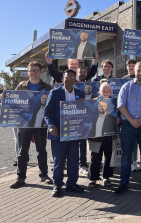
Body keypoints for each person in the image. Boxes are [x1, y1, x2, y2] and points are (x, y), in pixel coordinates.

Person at [114, 61, 141, 195]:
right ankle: (123, 183)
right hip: (128, 125)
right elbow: (121, 106)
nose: (140, 73)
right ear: (135, 71)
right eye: (138, 70)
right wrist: (132, 121)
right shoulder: (126, 87)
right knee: (126, 156)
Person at [10, 61, 53, 189]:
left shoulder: (47, 87)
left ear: (40, 71)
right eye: (31, 70)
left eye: (36, 70)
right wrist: (4, 99)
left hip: (41, 124)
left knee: (41, 150)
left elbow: (52, 105)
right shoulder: (21, 86)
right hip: (25, 124)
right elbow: (13, 103)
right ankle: (20, 177)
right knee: (23, 151)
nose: (33, 72)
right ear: (28, 72)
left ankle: (44, 175)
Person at [44, 69, 85, 197]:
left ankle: (71, 184)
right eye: (67, 77)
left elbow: (85, 112)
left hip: (74, 133)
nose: (70, 80)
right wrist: (51, 126)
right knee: (59, 161)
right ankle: (57, 185)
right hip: (58, 134)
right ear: (63, 79)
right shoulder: (55, 93)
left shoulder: (79, 93)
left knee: (73, 160)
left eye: (73, 78)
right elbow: (47, 112)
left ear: (75, 79)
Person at [87, 82, 116, 188]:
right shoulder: (93, 103)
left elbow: (119, 117)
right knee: (95, 158)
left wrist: (119, 120)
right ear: (99, 91)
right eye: (104, 90)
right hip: (96, 136)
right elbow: (88, 119)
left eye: (108, 91)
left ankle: (106, 177)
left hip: (109, 136)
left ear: (111, 92)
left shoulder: (114, 103)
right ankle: (93, 179)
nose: (106, 92)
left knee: (108, 157)